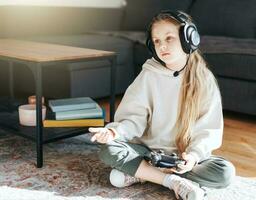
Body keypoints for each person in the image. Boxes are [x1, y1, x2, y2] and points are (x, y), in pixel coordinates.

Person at [89, 10, 235, 200]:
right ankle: (172, 181)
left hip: (182, 157)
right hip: (148, 152)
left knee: (225, 173)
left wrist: (192, 157)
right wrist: (115, 132)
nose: (162, 46)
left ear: (188, 38)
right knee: (109, 150)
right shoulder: (148, 75)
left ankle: (144, 174)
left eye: (169, 38)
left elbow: (208, 129)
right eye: (157, 41)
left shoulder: (204, 79)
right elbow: (134, 118)